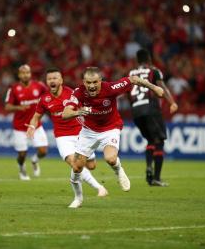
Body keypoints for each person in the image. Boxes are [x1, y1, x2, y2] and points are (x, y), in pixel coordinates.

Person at [62, 67, 164, 208]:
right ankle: (78, 198)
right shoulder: (78, 93)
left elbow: (133, 79)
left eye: (95, 82)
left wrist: (155, 88)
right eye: (88, 83)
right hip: (88, 131)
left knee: (110, 158)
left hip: (110, 128)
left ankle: (119, 171)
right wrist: (79, 111)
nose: (91, 86)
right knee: (77, 167)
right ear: (84, 82)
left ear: (101, 81)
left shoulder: (110, 88)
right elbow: (65, 114)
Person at [26, 68, 108, 200]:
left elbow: (85, 106)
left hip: (80, 133)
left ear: (61, 80)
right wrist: (31, 126)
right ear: (47, 81)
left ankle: (94, 182)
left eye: (55, 78)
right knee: (74, 164)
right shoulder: (44, 99)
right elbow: (36, 117)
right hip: (62, 136)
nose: (52, 81)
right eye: (49, 79)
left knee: (91, 166)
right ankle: (99, 188)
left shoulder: (72, 94)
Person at [128, 49, 178, 186]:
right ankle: (156, 177)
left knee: (150, 139)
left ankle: (149, 167)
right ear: (149, 59)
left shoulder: (131, 73)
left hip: (136, 110)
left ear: (137, 60)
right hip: (150, 108)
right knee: (159, 140)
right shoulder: (154, 70)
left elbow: (128, 92)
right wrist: (172, 102)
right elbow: (162, 87)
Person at [4, 64, 48, 180]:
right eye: (23, 73)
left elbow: (49, 96)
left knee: (43, 151)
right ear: (19, 75)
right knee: (22, 154)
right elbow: (7, 107)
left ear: (30, 74)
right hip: (20, 127)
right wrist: (19, 108)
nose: (25, 75)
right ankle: (22, 167)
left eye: (27, 72)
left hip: (35, 125)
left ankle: (34, 160)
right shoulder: (13, 88)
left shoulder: (39, 86)